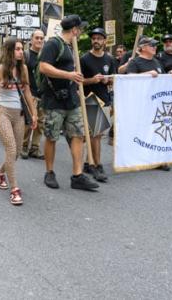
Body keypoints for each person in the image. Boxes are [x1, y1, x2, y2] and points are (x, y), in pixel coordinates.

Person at [39, 15, 99, 191]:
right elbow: (43, 67)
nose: (81, 32)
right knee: (51, 137)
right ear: (74, 30)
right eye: (80, 29)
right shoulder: (53, 44)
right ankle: (49, 172)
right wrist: (69, 75)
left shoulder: (72, 47)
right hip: (54, 100)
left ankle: (77, 175)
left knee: (78, 135)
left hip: (72, 100)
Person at [0, 38, 37, 206]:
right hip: (2, 113)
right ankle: (15, 189)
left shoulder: (24, 69)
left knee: (17, 152)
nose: (22, 51)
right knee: (11, 148)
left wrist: (34, 113)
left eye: (22, 49)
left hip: (19, 114)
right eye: (18, 49)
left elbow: (27, 91)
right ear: (9, 51)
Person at [126, 36, 172, 171]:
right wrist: (147, 73)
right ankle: (136, 158)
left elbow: (162, 78)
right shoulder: (135, 62)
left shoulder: (157, 62)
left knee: (157, 132)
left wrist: (171, 73)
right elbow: (128, 79)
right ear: (143, 47)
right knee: (140, 132)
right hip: (140, 103)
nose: (155, 47)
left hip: (157, 104)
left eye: (155, 45)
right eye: (152, 45)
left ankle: (158, 159)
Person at [80, 28, 117, 182]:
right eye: (94, 38)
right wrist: (92, 80)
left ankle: (89, 163)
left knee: (96, 134)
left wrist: (107, 80)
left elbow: (113, 78)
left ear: (104, 41)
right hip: (91, 100)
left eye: (99, 38)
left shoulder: (109, 59)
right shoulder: (84, 59)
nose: (96, 41)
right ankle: (97, 165)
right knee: (96, 135)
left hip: (105, 99)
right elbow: (79, 80)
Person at [21, 29, 45, 159]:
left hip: (43, 94)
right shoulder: (26, 55)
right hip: (30, 93)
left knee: (41, 123)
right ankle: (24, 146)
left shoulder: (45, 55)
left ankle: (35, 148)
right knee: (29, 120)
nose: (39, 40)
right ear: (31, 39)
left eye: (41, 38)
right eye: (37, 38)